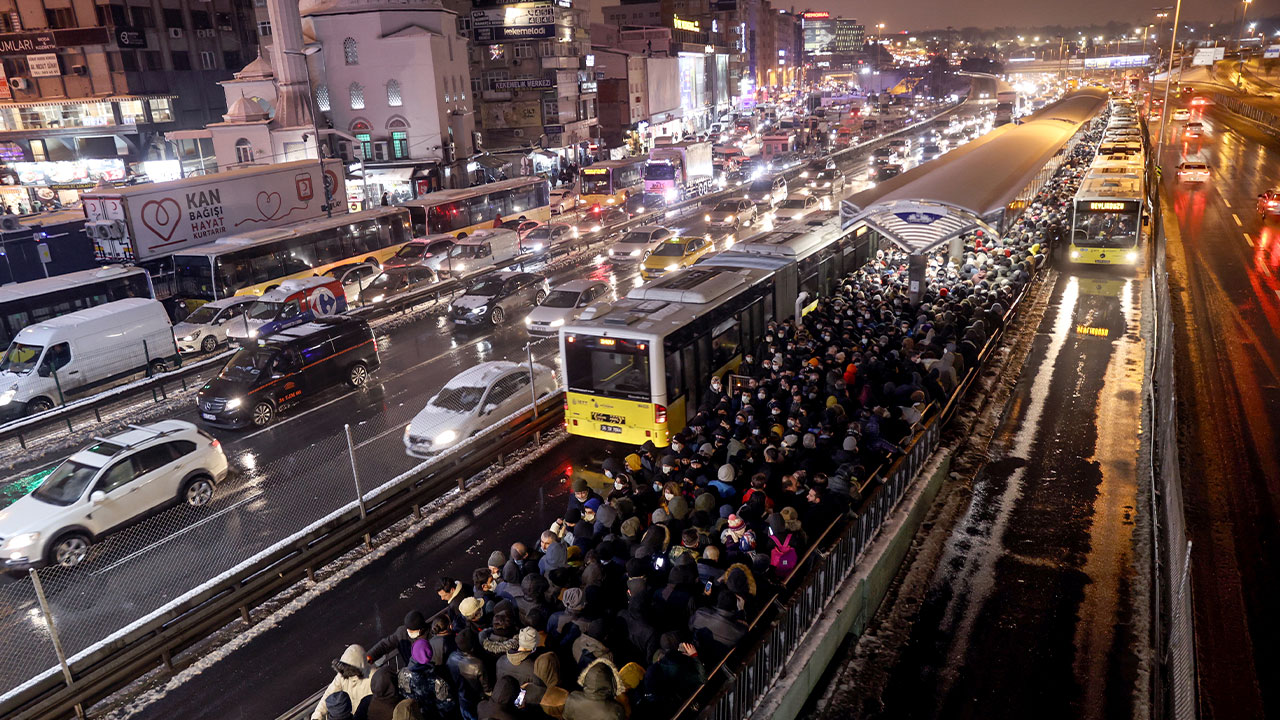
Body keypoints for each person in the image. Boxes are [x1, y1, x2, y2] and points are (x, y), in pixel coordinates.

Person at [313, 645, 374, 720]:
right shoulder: (344, 674)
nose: (347, 673)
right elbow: (328, 695)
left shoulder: (374, 679)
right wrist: (317, 716)